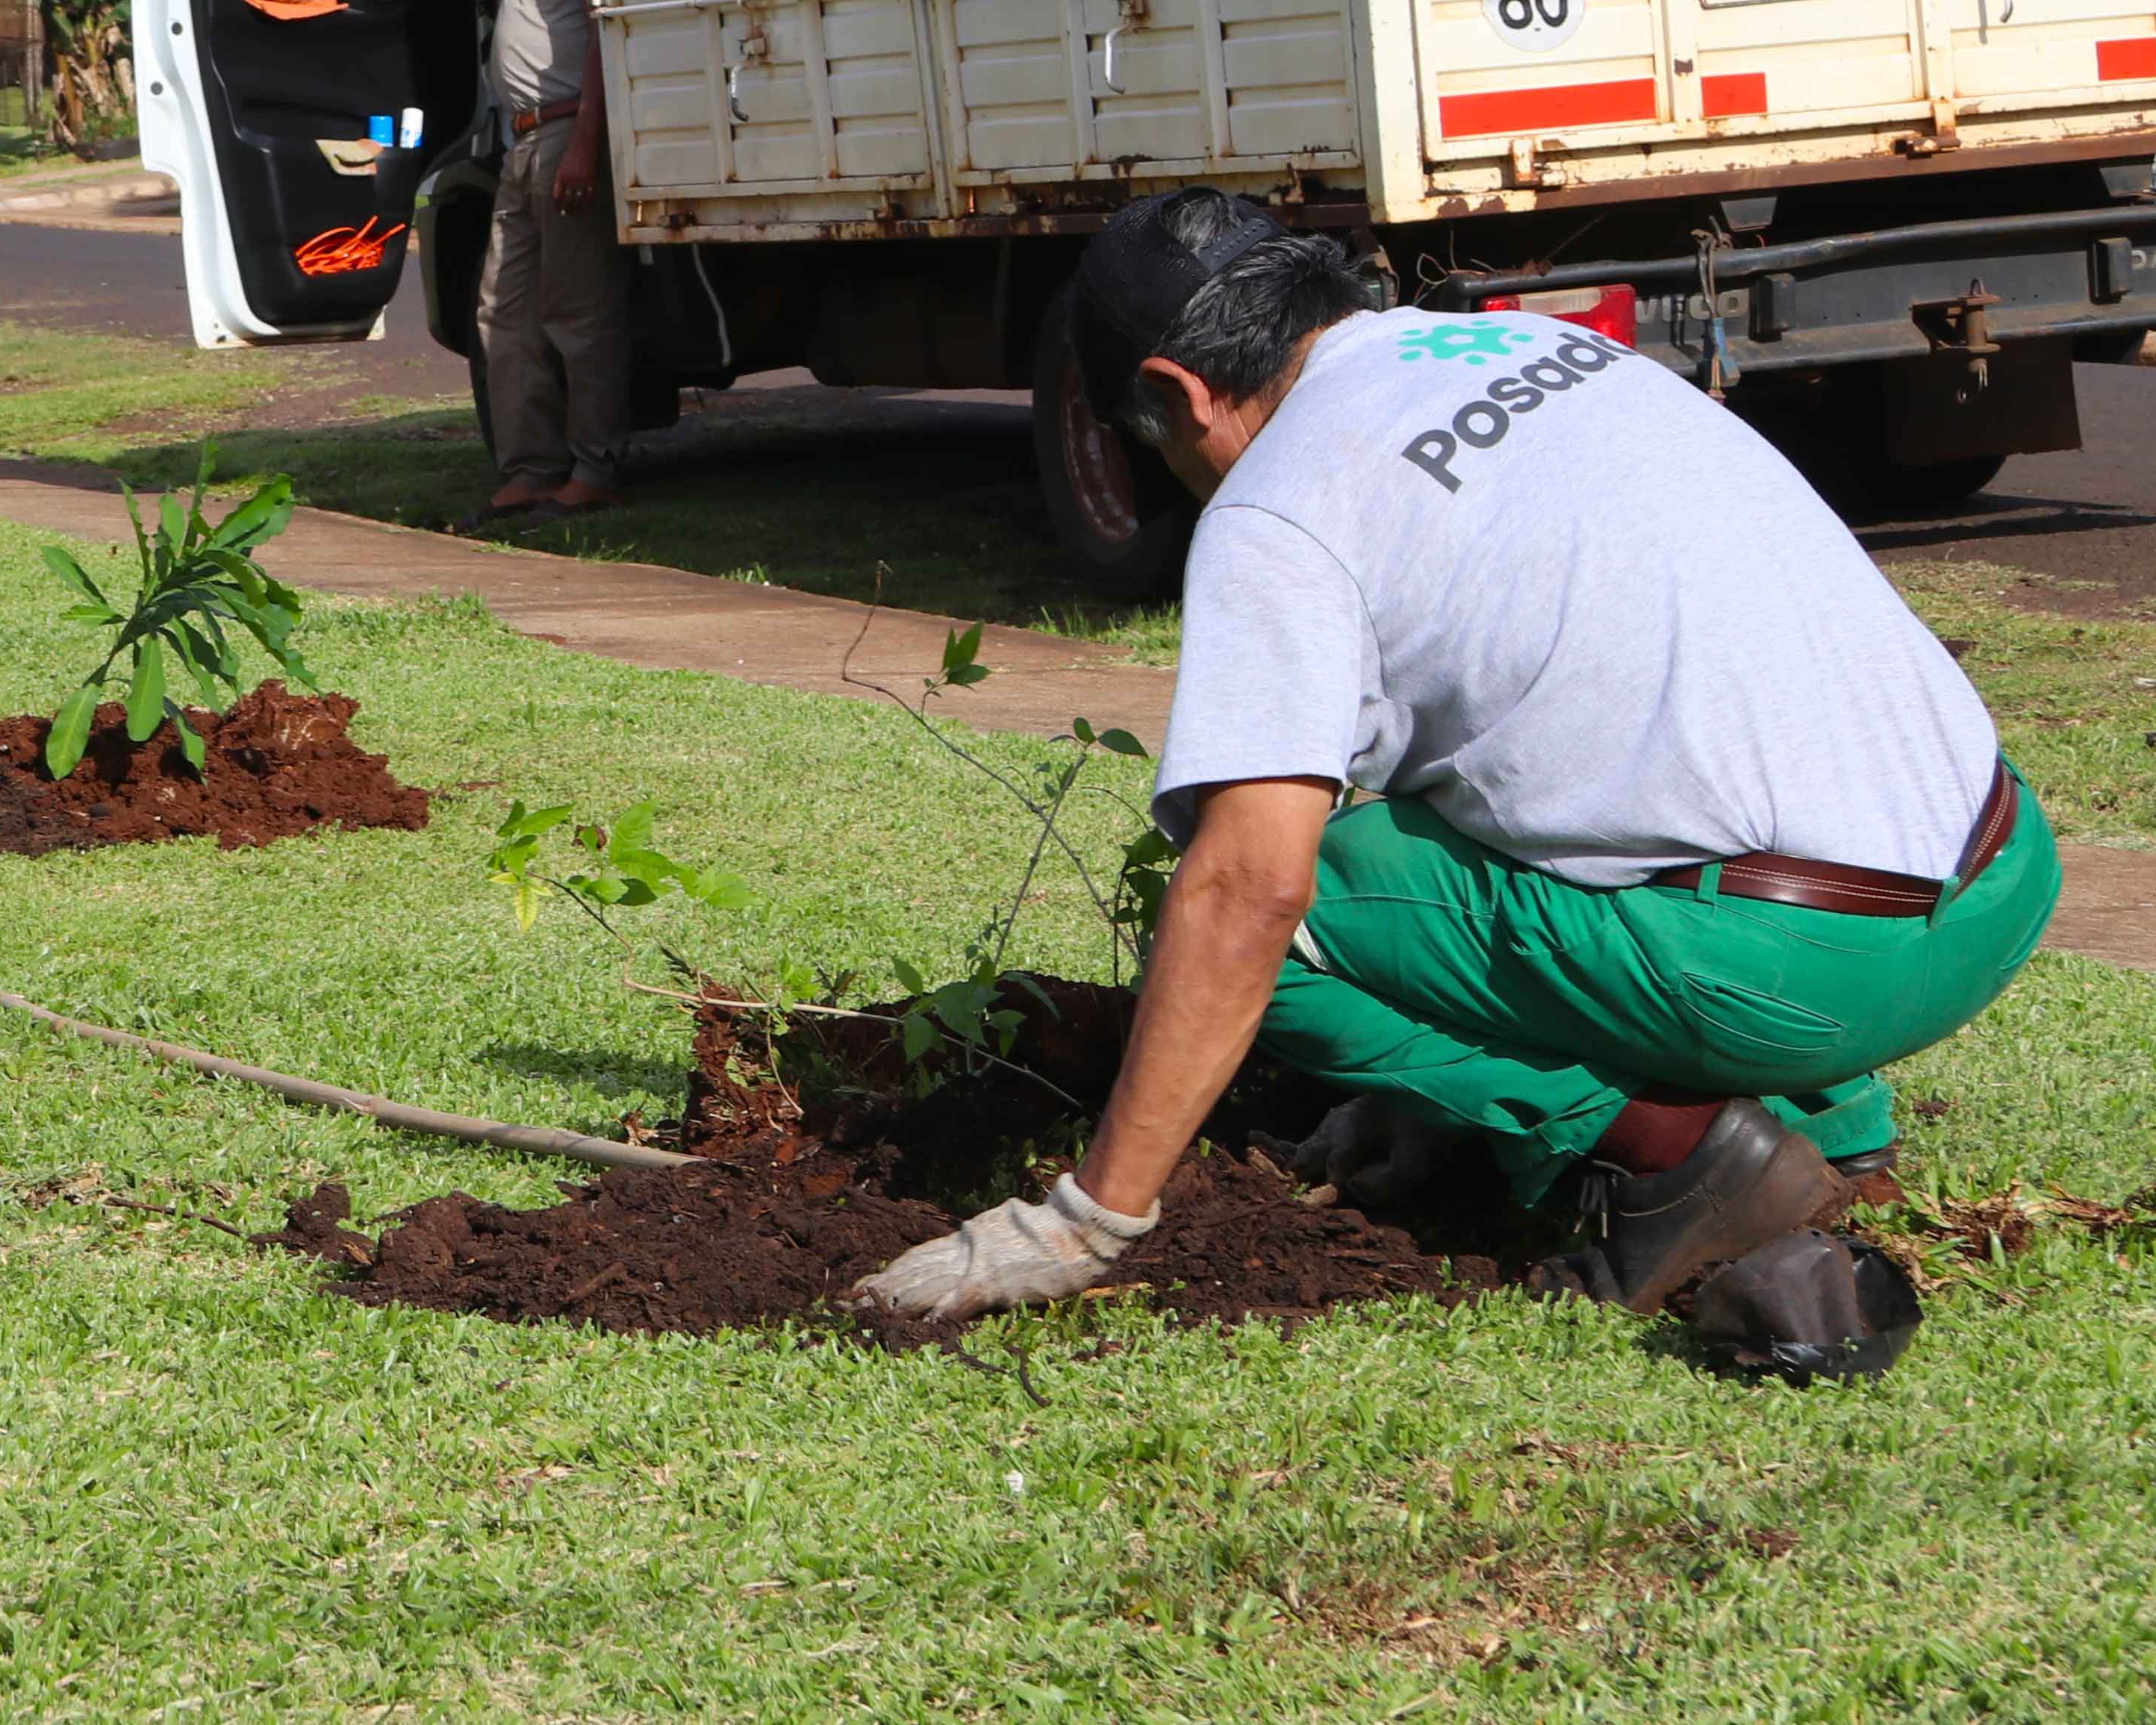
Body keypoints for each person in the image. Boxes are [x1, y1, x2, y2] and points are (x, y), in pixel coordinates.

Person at [859, 187, 2063, 1325]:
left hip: (1803, 970)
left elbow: (1247, 895)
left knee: (1275, 917)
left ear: (1178, 394)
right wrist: (1412, 1098)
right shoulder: (1539, 347)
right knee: (1470, 816)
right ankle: (1842, 1137)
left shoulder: (1278, 506)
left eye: (1145, 436)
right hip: (1998, 880)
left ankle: (1684, 1153)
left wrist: (1083, 1224)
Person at [307, 0, 623, 525]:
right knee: (501, 314)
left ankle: (593, 468)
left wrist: (585, 146)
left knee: (576, 314)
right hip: (519, 141)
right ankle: (529, 468)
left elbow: (605, 31)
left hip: (564, 131)